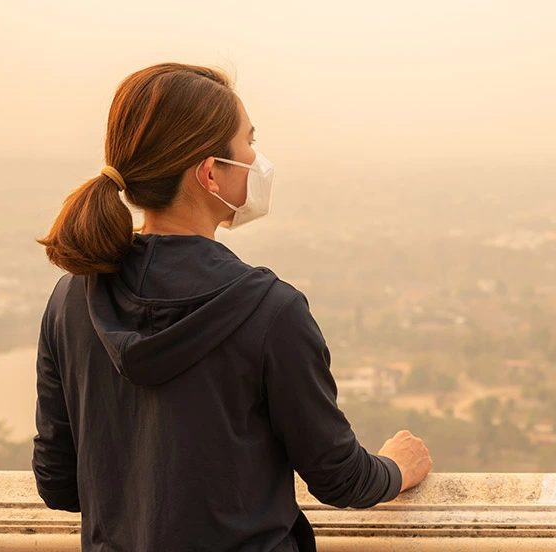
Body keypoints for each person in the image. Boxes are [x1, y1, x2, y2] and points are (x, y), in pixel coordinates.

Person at [33, 62, 433, 552]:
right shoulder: (270, 312)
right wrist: (396, 467)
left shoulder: (73, 297)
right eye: (249, 142)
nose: (257, 158)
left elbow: (58, 482)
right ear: (209, 174)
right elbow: (339, 478)